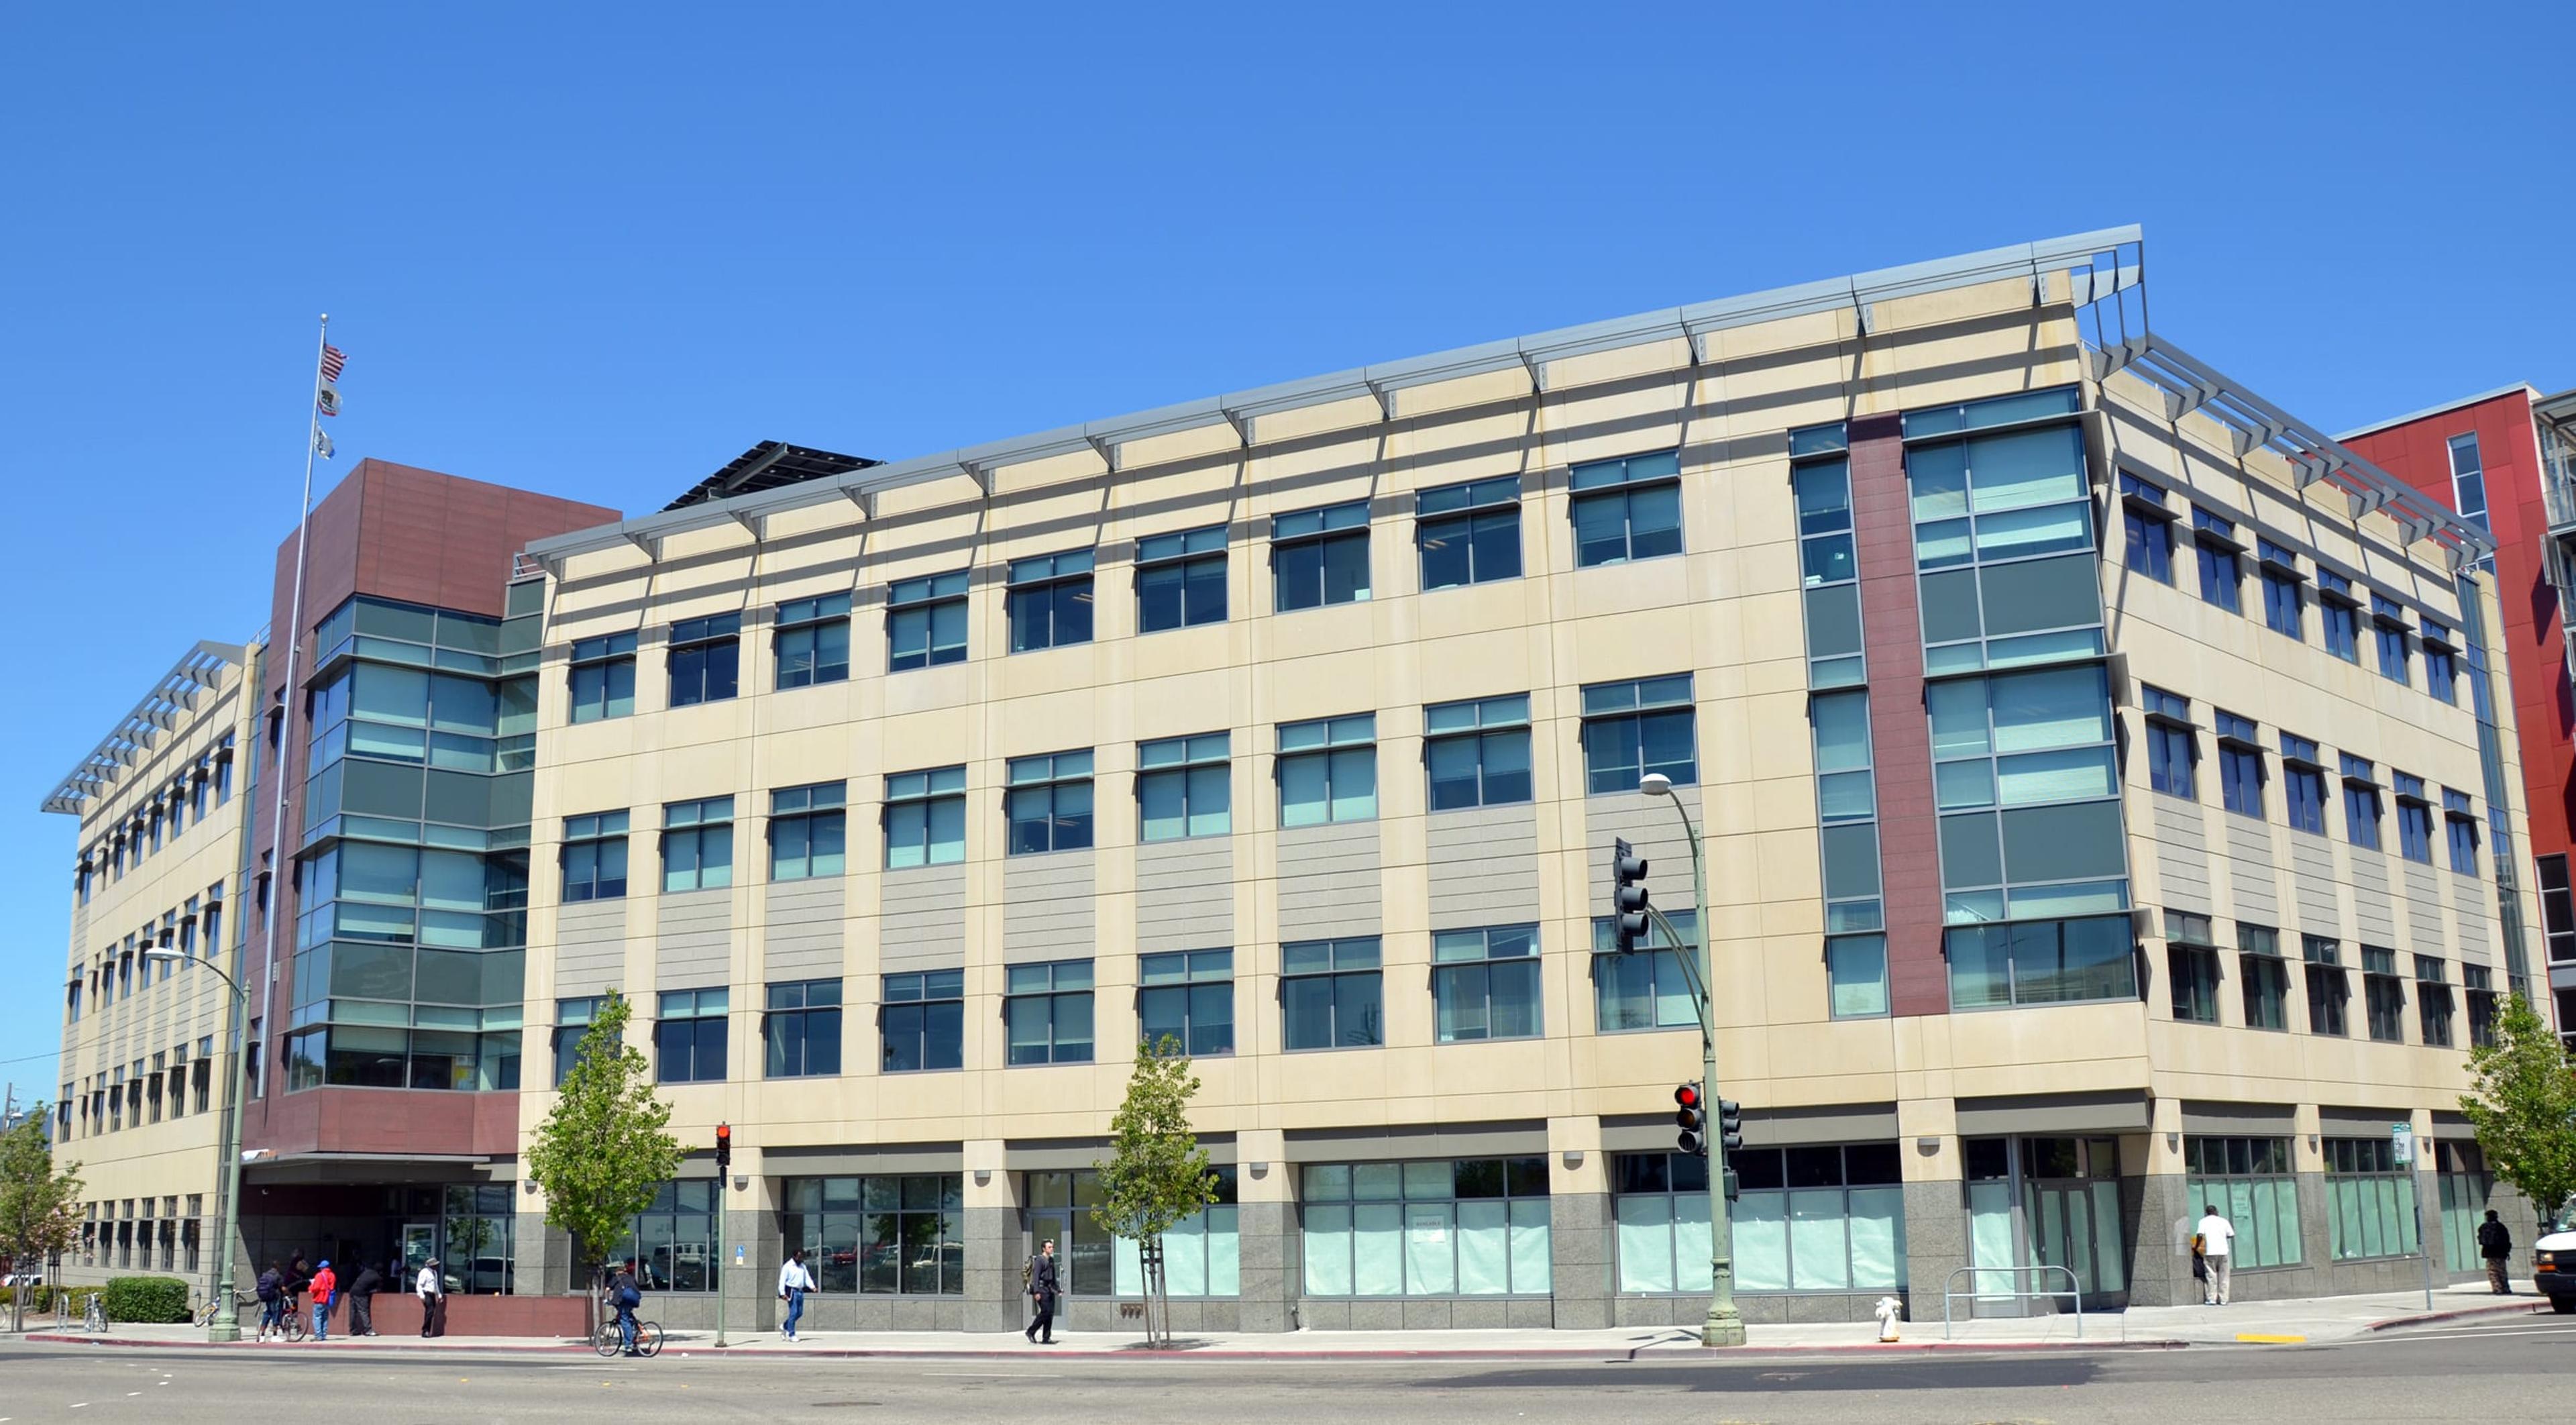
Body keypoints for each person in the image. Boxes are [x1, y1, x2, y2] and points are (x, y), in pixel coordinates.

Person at [2193, 1203, 2235, 1306]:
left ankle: (2212, 1298)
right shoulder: (2224, 1221)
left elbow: (2199, 1235)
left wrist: (2197, 1246)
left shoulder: (2203, 1221)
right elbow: (2231, 1235)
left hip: (2210, 1252)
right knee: (2224, 1276)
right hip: (2223, 1252)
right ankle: (2224, 1299)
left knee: (2211, 1275)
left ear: (2206, 1213)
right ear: (2216, 1212)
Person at [1024, 1238, 1060, 1344]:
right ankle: (1031, 1331)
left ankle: (1046, 1338)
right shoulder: (1040, 1260)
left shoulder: (1051, 1260)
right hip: (1041, 1289)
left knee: (1050, 1314)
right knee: (1045, 1312)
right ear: (1044, 1249)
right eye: (1049, 1247)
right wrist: (1036, 1292)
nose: (1052, 1249)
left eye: (1052, 1247)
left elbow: (1053, 1277)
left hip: (1049, 1290)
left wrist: (1057, 1289)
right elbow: (1035, 1277)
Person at [777, 1248, 816, 1342]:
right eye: (799, 1257)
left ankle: (785, 1326)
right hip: (792, 1291)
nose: (800, 1259)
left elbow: (807, 1277)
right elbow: (782, 1280)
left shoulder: (802, 1266)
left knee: (799, 1313)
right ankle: (792, 1334)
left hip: (800, 1291)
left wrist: (812, 1287)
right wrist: (782, 1293)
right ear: (794, 1256)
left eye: (802, 1257)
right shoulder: (788, 1266)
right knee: (793, 1313)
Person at [609, 1259, 643, 1356]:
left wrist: (608, 1300)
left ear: (617, 1272)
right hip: (634, 1299)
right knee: (629, 1317)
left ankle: (629, 1344)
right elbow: (637, 1288)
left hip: (623, 1301)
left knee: (624, 1320)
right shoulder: (631, 1277)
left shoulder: (617, 1277)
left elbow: (607, 1289)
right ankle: (636, 1332)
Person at [2478, 1209, 2514, 1295]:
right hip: (2501, 1253)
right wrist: (2507, 1251)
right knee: (2502, 1271)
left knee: (2492, 1272)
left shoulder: (2484, 1227)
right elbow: (2507, 1240)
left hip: (2490, 1253)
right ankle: (2505, 1288)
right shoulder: (2501, 1227)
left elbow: (2481, 1240)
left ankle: (2497, 1288)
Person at [348, 1261, 383, 1337]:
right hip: (361, 1294)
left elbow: (359, 1279)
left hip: (352, 1291)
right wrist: (370, 1291)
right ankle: (368, 1330)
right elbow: (378, 1290)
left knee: (353, 1311)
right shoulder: (377, 1277)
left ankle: (353, 1330)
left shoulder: (367, 1272)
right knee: (364, 1311)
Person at [254, 1261, 286, 1342]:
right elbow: (283, 1288)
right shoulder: (278, 1276)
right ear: (278, 1266)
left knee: (267, 1315)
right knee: (276, 1315)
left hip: (267, 1297)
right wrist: (289, 1293)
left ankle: (262, 1336)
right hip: (275, 1297)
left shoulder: (265, 1275)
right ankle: (275, 1336)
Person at [308, 1259, 338, 1341]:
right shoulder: (332, 1275)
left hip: (319, 1299)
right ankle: (324, 1335)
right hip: (327, 1300)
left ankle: (318, 1336)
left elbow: (316, 1288)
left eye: (321, 1268)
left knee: (317, 1318)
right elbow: (332, 1287)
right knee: (325, 1318)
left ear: (322, 1268)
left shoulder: (319, 1275)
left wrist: (311, 1286)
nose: (320, 1269)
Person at [416, 1258, 445, 1338]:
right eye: (435, 1265)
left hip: (432, 1294)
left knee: (430, 1313)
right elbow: (419, 1285)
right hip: (426, 1293)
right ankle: (425, 1330)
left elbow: (435, 1285)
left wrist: (439, 1295)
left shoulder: (434, 1273)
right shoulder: (424, 1272)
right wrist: (421, 1295)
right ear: (431, 1265)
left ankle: (426, 1331)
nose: (437, 1266)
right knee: (430, 1311)